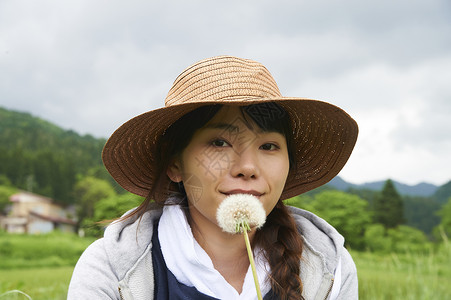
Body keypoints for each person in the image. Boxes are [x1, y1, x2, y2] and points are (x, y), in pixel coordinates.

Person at [68, 56, 359, 300]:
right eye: (219, 143)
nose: (247, 167)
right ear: (174, 164)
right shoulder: (112, 270)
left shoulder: (329, 270)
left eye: (268, 146)